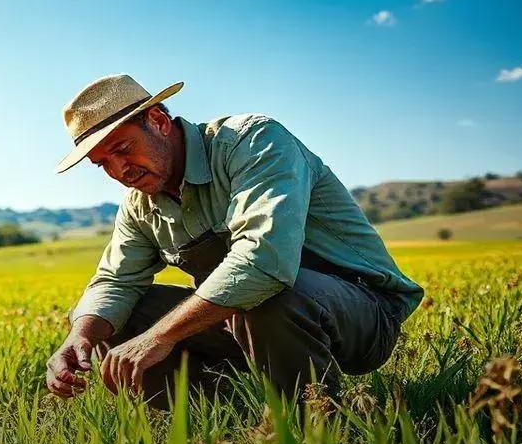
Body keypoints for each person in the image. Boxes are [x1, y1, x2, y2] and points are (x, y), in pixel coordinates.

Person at [45, 74, 423, 407]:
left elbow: (265, 262)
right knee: (119, 318)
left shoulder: (252, 141)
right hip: (251, 326)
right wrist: (78, 336)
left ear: (158, 120)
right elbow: (115, 281)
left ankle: (318, 420)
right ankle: (232, 416)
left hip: (362, 314)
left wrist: (158, 336)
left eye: (123, 149)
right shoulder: (140, 205)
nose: (118, 171)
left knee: (263, 293)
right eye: (102, 163)